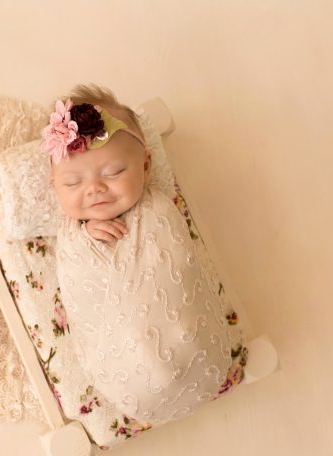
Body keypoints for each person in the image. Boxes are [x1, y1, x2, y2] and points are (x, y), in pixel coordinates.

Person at [42, 84, 247, 425]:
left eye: (114, 173)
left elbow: (181, 262)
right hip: (127, 374)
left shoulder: (157, 209)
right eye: (73, 183)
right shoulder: (72, 236)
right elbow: (77, 280)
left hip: (198, 349)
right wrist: (84, 237)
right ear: (54, 187)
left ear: (146, 166)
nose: (94, 189)